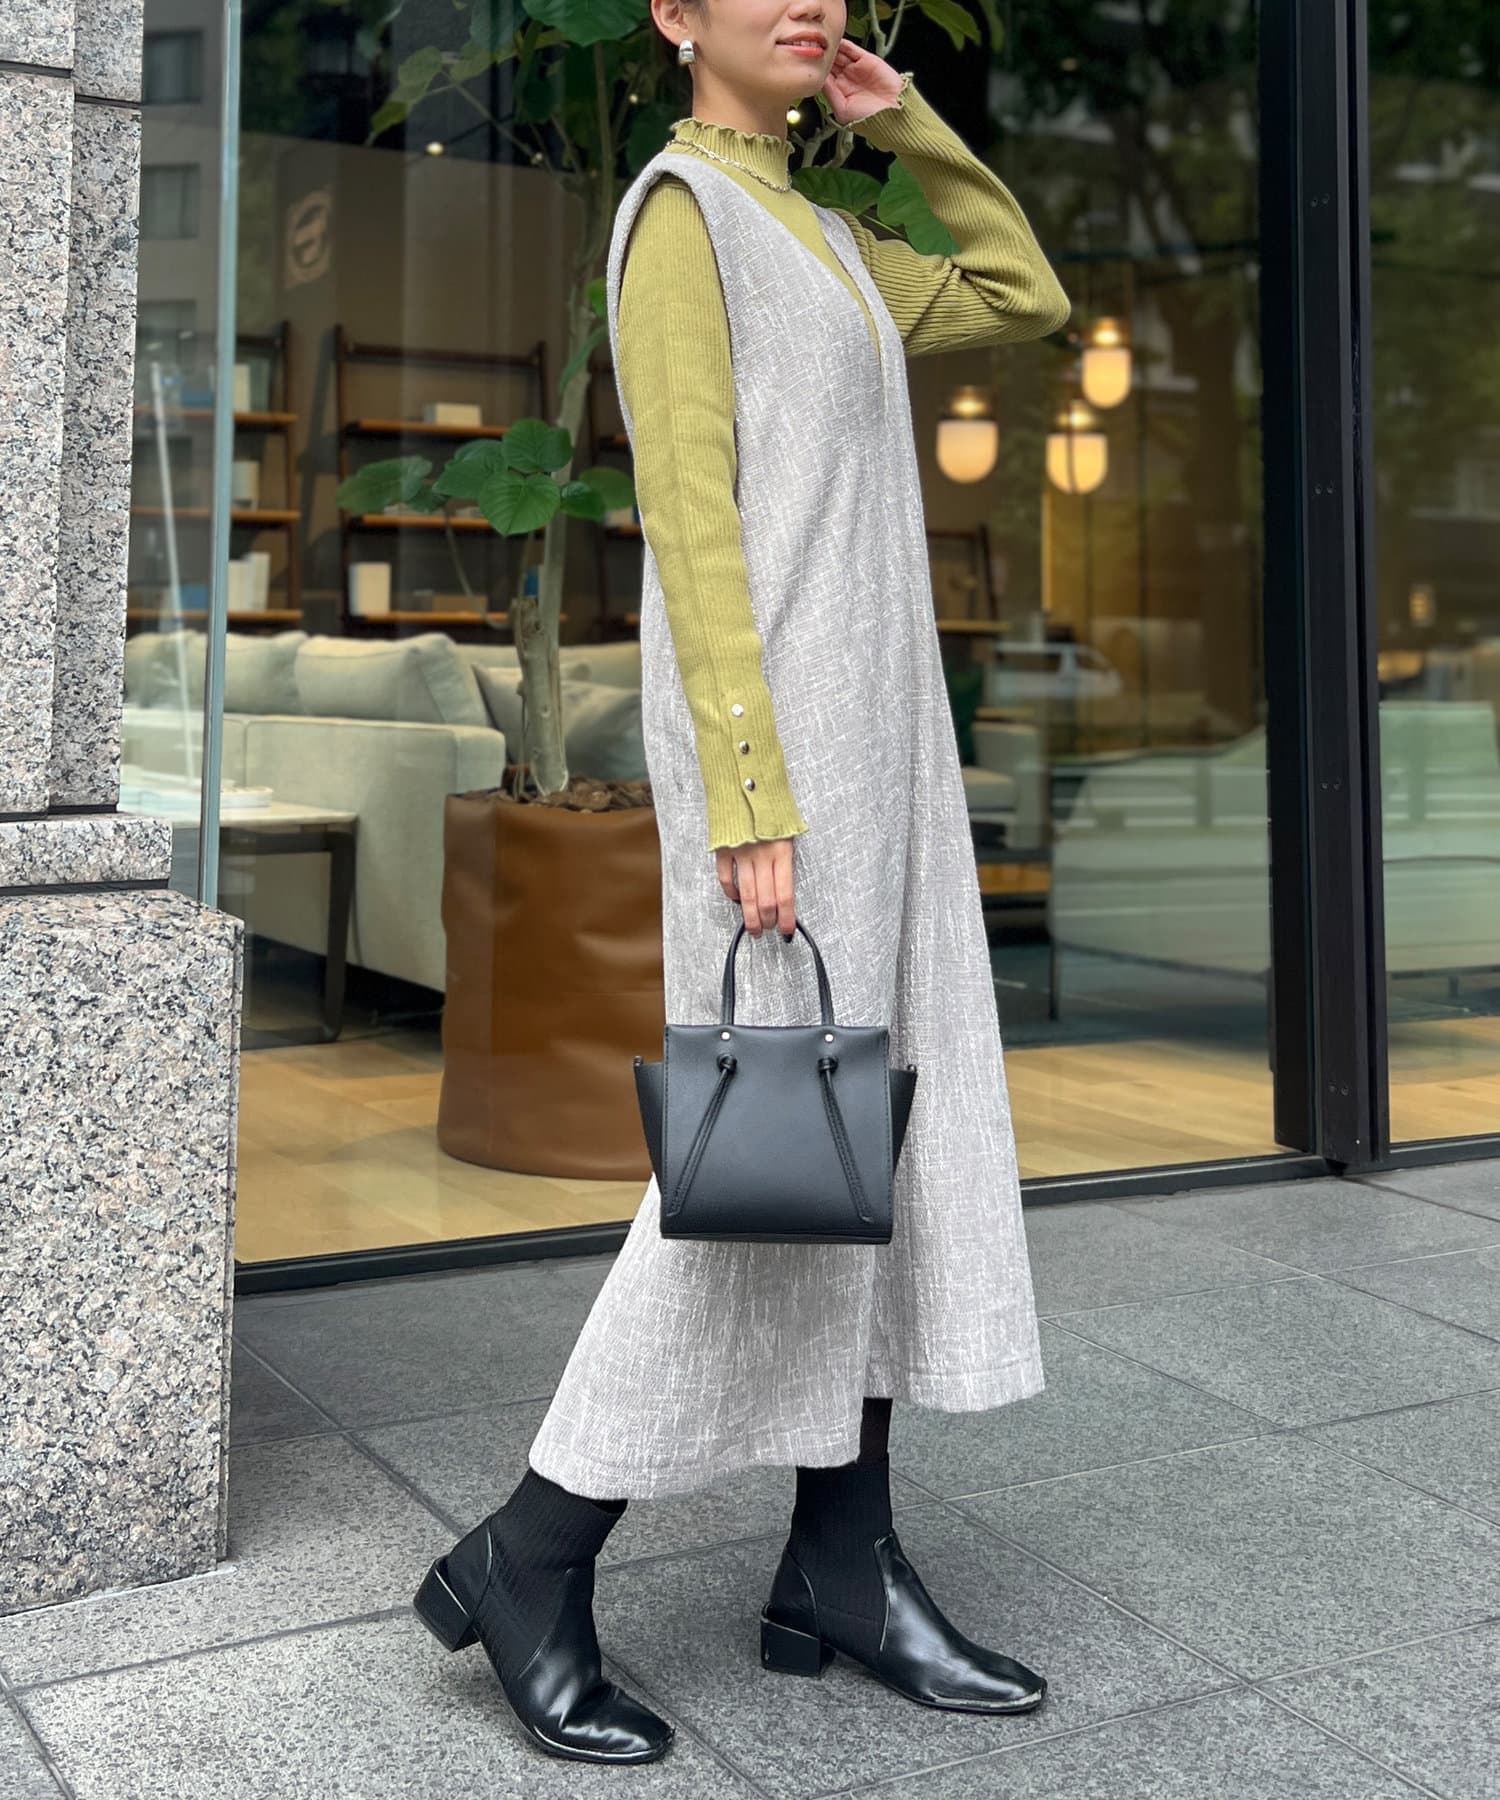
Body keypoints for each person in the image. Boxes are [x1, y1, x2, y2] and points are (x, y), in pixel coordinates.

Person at [413, 0, 1071, 1766]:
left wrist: (904, 120)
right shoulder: (679, 215)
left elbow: (1023, 295)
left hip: (884, 755)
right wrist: (748, 795)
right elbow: (689, 518)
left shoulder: (835, 235)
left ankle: (842, 1564)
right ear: (673, 15)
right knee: (758, 1168)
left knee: (863, 1149)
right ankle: (533, 1549)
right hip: (785, 768)